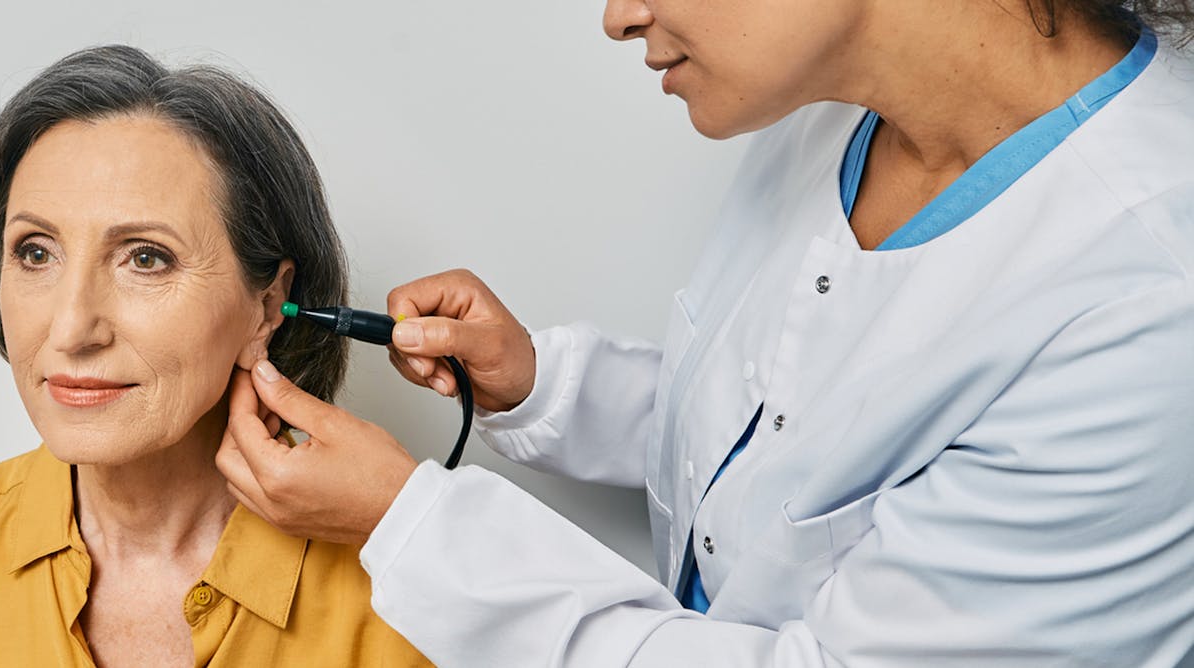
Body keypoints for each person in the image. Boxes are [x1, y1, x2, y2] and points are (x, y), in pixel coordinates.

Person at [215, 0, 1194, 665]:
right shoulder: (829, 120)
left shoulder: (1148, 300)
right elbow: (806, 437)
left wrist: (411, 525)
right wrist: (543, 385)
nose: (617, 14)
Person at [0, 45, 432, 666]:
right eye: (37, 252)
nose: (72, 330)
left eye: (146, 257)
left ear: (267, 306)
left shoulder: (416, 595)